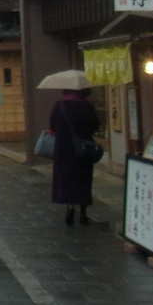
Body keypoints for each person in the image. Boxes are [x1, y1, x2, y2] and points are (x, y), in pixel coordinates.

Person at [50, 88, 101, 226]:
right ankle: (83, 212)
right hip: (83, 148)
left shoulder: (59, 106)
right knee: (83, 178)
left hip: (63, 149)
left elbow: (53, 126)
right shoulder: (87, 106)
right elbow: (95, 126)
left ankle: (70, 205)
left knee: (66, 177)